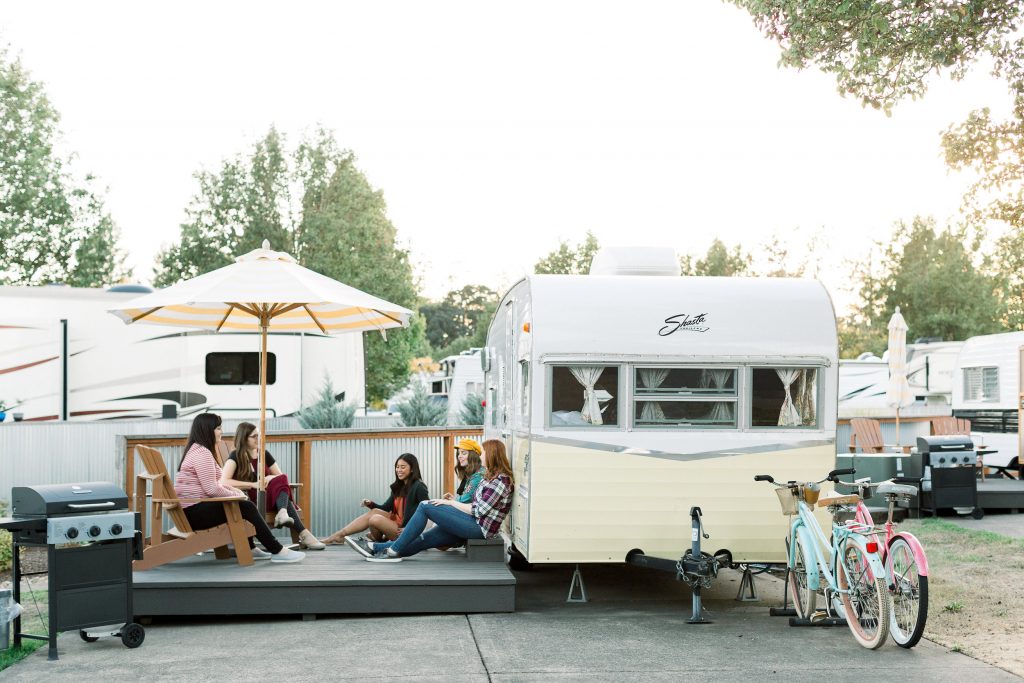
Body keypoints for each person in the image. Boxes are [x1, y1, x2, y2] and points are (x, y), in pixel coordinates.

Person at [346, 439, 514, 562]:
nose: (480, 456)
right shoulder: (489, 477)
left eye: (483, 453)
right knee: (423, 540)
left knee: (425, 506)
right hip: (472, 522)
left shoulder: (501, 481)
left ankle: (393, 549)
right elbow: (475, 505)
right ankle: (375, 548)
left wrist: (450, 503)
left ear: (492, 455)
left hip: (480, 529)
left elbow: (478, 510)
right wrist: (453, 504)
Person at [174, 413, 304, 563]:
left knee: (244, 504)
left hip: (193, 510)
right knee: (246, 507)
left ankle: (252, 548)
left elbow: (216, 485)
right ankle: (278, 550)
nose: (221, 431)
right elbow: (211, 489)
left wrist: (236, 492)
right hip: (195, 514)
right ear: (206, 430)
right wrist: (236, 495)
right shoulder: (202, 453)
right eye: (218, 428)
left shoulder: (198, 450)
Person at [220, 422, 325, 551]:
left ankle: (282, 513)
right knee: (286, 500)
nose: (258, 439)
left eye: (259, 435)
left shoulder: (264, 454)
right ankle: (303, 533)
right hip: (251, 499)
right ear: (244, 438)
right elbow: (224, 481)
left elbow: (280, 477)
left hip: (268, 496)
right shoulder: (236, 456)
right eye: (254, 436)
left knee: (283, 479)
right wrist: (252, 484)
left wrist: (269, 478)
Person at [320, 453, 429, 545]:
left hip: (405, 530)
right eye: (397, 466)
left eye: (403, 467)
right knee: (375, 512)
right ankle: (339, 535)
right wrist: (371, 504)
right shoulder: (398, 487)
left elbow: (426, 511)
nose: (399, 470)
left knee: (375, 518)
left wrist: (411, 528)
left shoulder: (419, 486)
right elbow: (386, 508)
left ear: (412, 469)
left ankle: (379, 540)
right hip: (396, 524)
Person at [443, 438, 483, 504]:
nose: (459, 456)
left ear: (473, 456)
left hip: (470, 513)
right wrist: (453, 499)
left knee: (425, 506)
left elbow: (466, 500)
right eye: (458, 453)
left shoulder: (478, 475)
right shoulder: (469, 474)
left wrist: (452, 501)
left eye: (464, 453)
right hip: (465, 510)